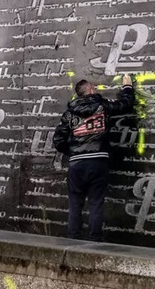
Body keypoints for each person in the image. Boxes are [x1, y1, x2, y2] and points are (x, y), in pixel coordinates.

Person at [53, 74, 135, 242]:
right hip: (99, 162)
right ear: (89, 90)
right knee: (96, 204)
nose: (97, 89)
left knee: (75, 204)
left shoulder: (69, 114)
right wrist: (127, 87)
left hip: (77, 164)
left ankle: (72, 241)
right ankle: (94, 243)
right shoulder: (102, 106)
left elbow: (58, 141)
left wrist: (74, 152)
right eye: (94, 87)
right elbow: (125, 105)